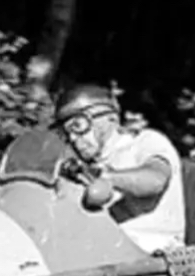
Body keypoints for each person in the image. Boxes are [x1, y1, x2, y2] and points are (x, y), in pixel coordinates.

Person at [53, 83, 185, 253]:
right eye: (66, 133)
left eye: (78, 126)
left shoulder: (145, 142)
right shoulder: (83, 166)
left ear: (111, 119)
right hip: (105, 250)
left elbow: (155, 180)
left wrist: (107, 177)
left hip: (153, 250)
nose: (72, 138)